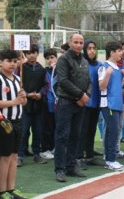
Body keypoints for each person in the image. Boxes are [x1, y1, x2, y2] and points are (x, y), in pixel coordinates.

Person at [54, 33, 91, 182]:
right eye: (75, 42)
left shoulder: (84, 60)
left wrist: (85, 95)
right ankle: (60, 169)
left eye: (81, 42)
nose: (78, 45)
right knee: (62, 137)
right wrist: (80, 95)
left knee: (76, 136)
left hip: (79, 104)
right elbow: (63, 81)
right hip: (65, 103)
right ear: (70, 43)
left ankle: (71, 166)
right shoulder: (63, 59)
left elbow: (89, 80)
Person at [0, 49, 27, 199]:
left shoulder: (18, 79)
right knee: (4, 157)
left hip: (18, 121)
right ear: (1, 62)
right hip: (4, 123)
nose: (13, 64)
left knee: (14, 156)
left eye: (15, 61)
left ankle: (11, 189)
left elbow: (22, 102)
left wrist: (24, 98)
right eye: (9, 61)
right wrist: (14, 102)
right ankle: (2, 191)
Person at [99, 41, 124, 170]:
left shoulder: (117, 68)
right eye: (119, 51)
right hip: (108, 104)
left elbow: (117, 88)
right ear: (112, 52)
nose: (121, 53)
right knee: (113, 131)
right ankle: (110, 160)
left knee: (115, 131)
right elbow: (102, 87)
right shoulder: (104, 67)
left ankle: (108, 157)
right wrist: (108, 74)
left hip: (117, 104)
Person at [18, 44, 48, 166]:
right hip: (24, 105)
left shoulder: (42, 69)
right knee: (23, 131)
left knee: (38, 130)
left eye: (34, 52)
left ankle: (37, 154)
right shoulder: (21, 68)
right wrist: (26, 94)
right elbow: (17, 83)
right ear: (25, 54)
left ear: (37, 53)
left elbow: (46, 85)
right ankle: (19, 155)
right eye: (29, 53)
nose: (32, 55)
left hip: (38, 105)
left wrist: (40, 94)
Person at [76, 40, 103, 167]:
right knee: (82, 130)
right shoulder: (81, 63)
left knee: (92, 130)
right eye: (89, 48)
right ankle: (79, 156)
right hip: (85, 103)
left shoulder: (99, 65)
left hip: (96, 103)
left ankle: (90, 155)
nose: (92, 50)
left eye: (94, 48)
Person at [40, 48, 58, 161]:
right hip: (47, 103)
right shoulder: (44, 71)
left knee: (57, 126)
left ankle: (54, 147)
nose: (50, 60)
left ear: (56, 57)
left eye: (52, 57)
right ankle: (45, 149)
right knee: (47, 127)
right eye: (47, 58)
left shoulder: (60, 70)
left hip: (59, 103)